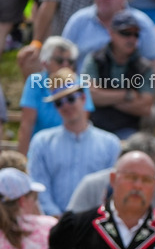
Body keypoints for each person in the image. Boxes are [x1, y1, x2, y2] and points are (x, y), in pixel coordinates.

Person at [27, 68, 121, 216]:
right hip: (53, 225)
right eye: (58, 103)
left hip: (95, 225)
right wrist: (58, 220)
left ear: (83, 98)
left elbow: (112, 189)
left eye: (70, 99)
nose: (65, 106)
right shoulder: (41, 142)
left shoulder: (110, 143)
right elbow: (39, 185)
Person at [60, 0, 155, 78]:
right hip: (85, 91)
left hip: (131, 88)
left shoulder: (141, 23)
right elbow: (61, 61)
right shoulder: (78, 21)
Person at [80, 10, 155, 138]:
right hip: (94, 128)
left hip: (128, 132)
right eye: (126, 33)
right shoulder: (95, 59)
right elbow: (88, 96)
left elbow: (145, 108)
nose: (131, 39)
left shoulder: (145, 67)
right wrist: (127, 95)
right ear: (111, 33)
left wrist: (104, 97)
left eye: (136, 34)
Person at [17, 37, 95, 156]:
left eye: (70, 61)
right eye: (60, 60)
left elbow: (81, 122)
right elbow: (26, 125)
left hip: (73, 147)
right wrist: (23, 161)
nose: (65, 65)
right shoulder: (35, 81)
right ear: (45, 63)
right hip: (41, 148)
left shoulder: (81, 84)